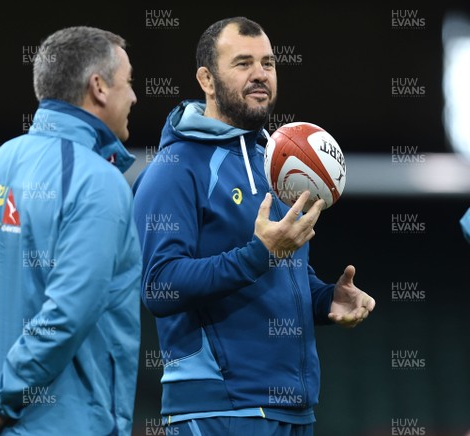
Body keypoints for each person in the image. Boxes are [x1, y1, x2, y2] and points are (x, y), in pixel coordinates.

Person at [132, 16, 375, 435]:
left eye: (268, 63)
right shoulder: (175, 168)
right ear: (206, 79)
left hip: (294, 411)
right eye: (243, 63)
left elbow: (278, 271)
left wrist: (324, 299)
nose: (260, 74)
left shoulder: (277, 164)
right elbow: (158, 285)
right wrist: (260, 254)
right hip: (219, 412)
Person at [0, 26, 142, 435]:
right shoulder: (99, 183)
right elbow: (68, 312)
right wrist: (2, 401)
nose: (135, 97)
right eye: (128, 83)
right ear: (99, 88)